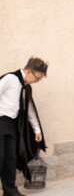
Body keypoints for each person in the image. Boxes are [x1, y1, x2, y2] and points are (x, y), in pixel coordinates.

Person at [0, 57, 48, 196]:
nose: (37, 81)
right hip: (0, 121)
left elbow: (30, 110)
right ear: (28, 71)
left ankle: (10, 190)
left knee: (11, 159)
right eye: (37, 78)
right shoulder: (10, 79)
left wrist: (37, 130)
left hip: (12, 125)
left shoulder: (25, 87)